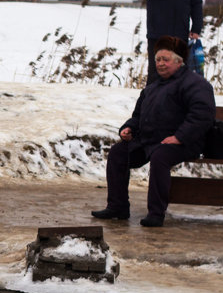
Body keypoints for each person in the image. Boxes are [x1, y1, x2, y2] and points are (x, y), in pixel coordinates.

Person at [91, 36, 216, 228]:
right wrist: (129, 128)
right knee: (118, 153)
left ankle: (156, 214)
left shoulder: (195, 84)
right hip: (150, 140)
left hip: (185, 142)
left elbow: (202, 117)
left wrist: (179, 137)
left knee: (160, 157)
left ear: (179, 62)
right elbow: (138, 115)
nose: (161, 64)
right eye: (158, 60)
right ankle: (118, 207)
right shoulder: (153, 87)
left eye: (165, 59)